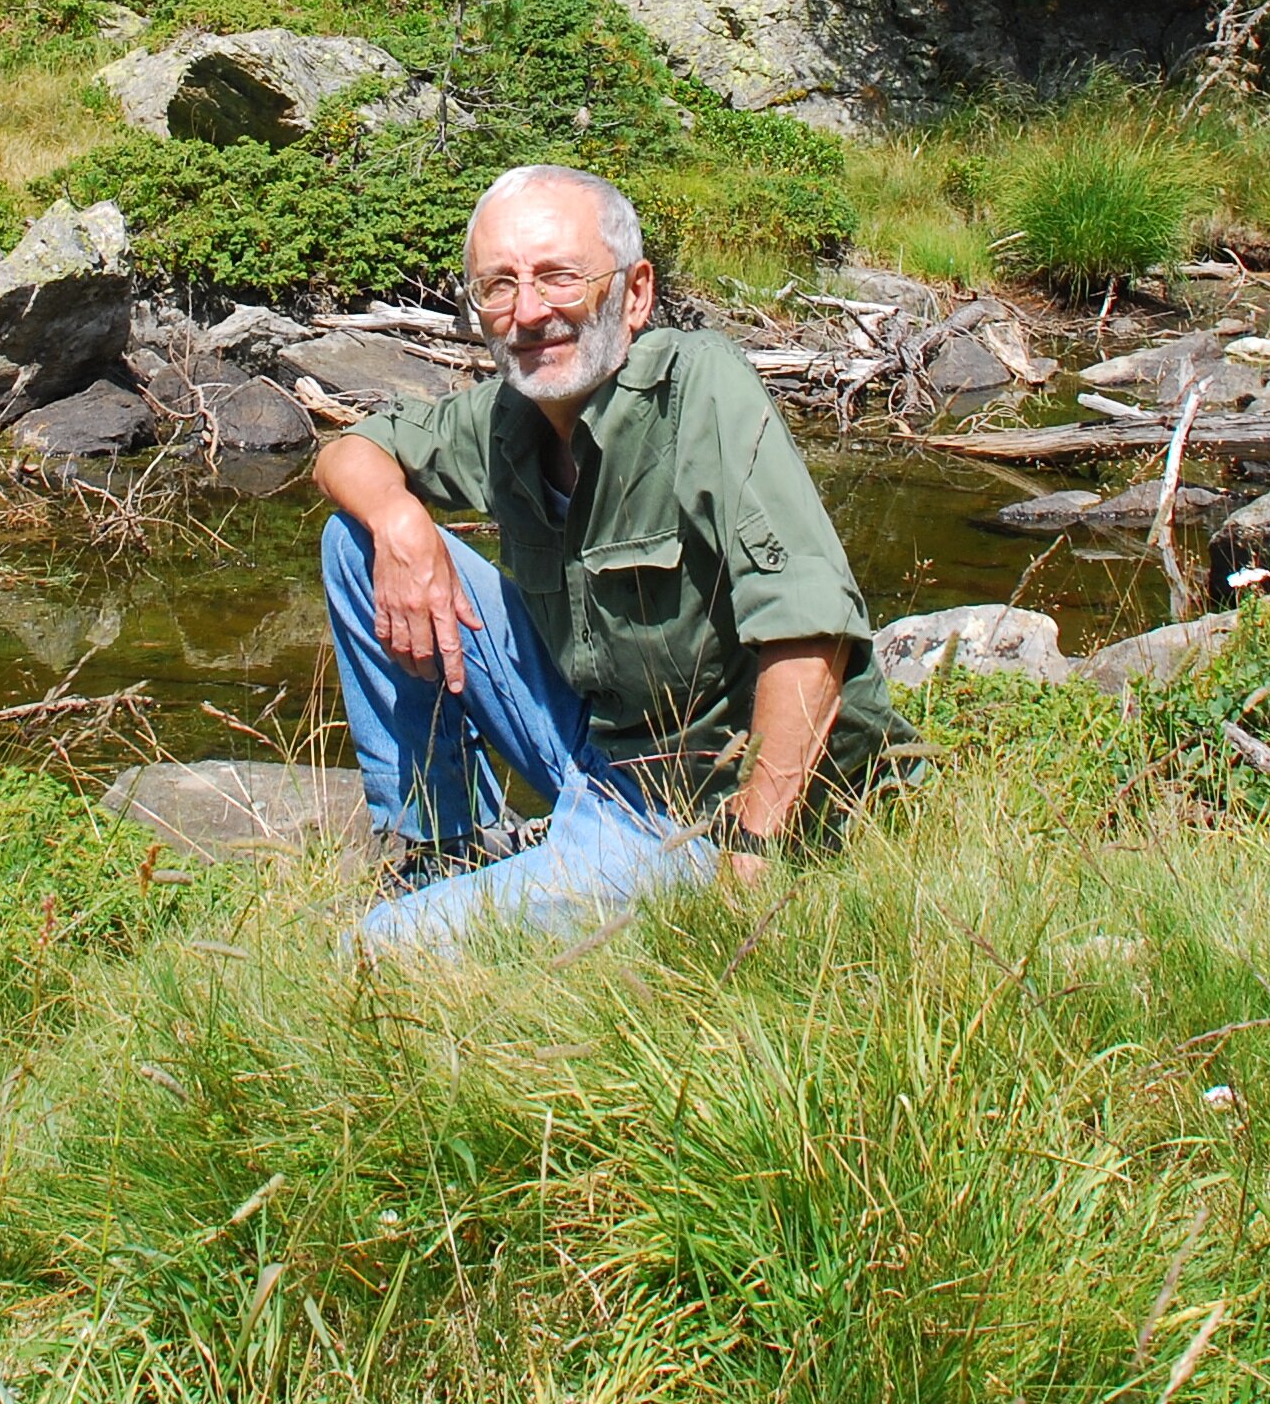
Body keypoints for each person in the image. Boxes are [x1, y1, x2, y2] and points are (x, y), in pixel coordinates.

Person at [313, 162, 903, 951]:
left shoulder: (699, 391)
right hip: (595, 741)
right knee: (354, 541)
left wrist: (752, 852)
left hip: (693, 799)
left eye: (560, 278)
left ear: (634, 294)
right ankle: (440, 847)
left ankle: (534, 884)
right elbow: (346, 452)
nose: (529, 313)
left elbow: (811, 627)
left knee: (380, 947)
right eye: (498, 286)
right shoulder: (508, 414)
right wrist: (398, 520)